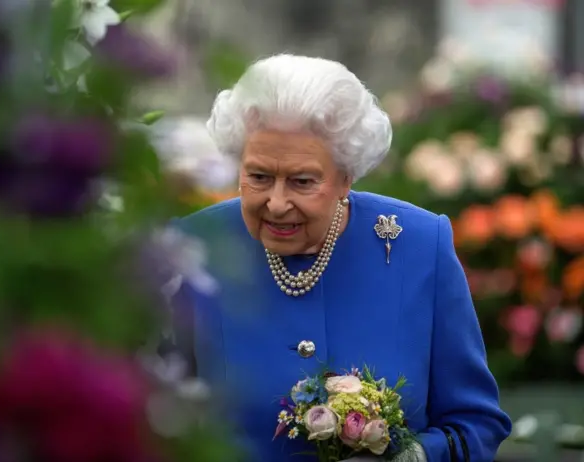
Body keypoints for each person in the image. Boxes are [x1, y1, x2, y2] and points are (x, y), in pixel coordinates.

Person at [168, 54, 512, 462]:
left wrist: (412, 457)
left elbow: (476, 424)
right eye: (259, 177)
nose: (277, 204)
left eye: (302, 181)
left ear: (346, 176)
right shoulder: (197, 247)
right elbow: (151, 417)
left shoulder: (420, 245)